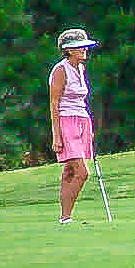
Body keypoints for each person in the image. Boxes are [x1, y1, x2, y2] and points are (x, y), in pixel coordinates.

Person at [49, 28, 100, 222]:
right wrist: (57, 135)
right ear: (69, 50)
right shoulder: (60, 70)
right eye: (79, 47)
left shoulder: (80, 68)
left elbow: (81, 99)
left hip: (82, 119)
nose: (84, 50)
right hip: (66, 120)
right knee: (81, 172)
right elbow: (54, 103)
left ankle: (65, 217)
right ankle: (66, 217)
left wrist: (89, 128)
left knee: (70, 170)